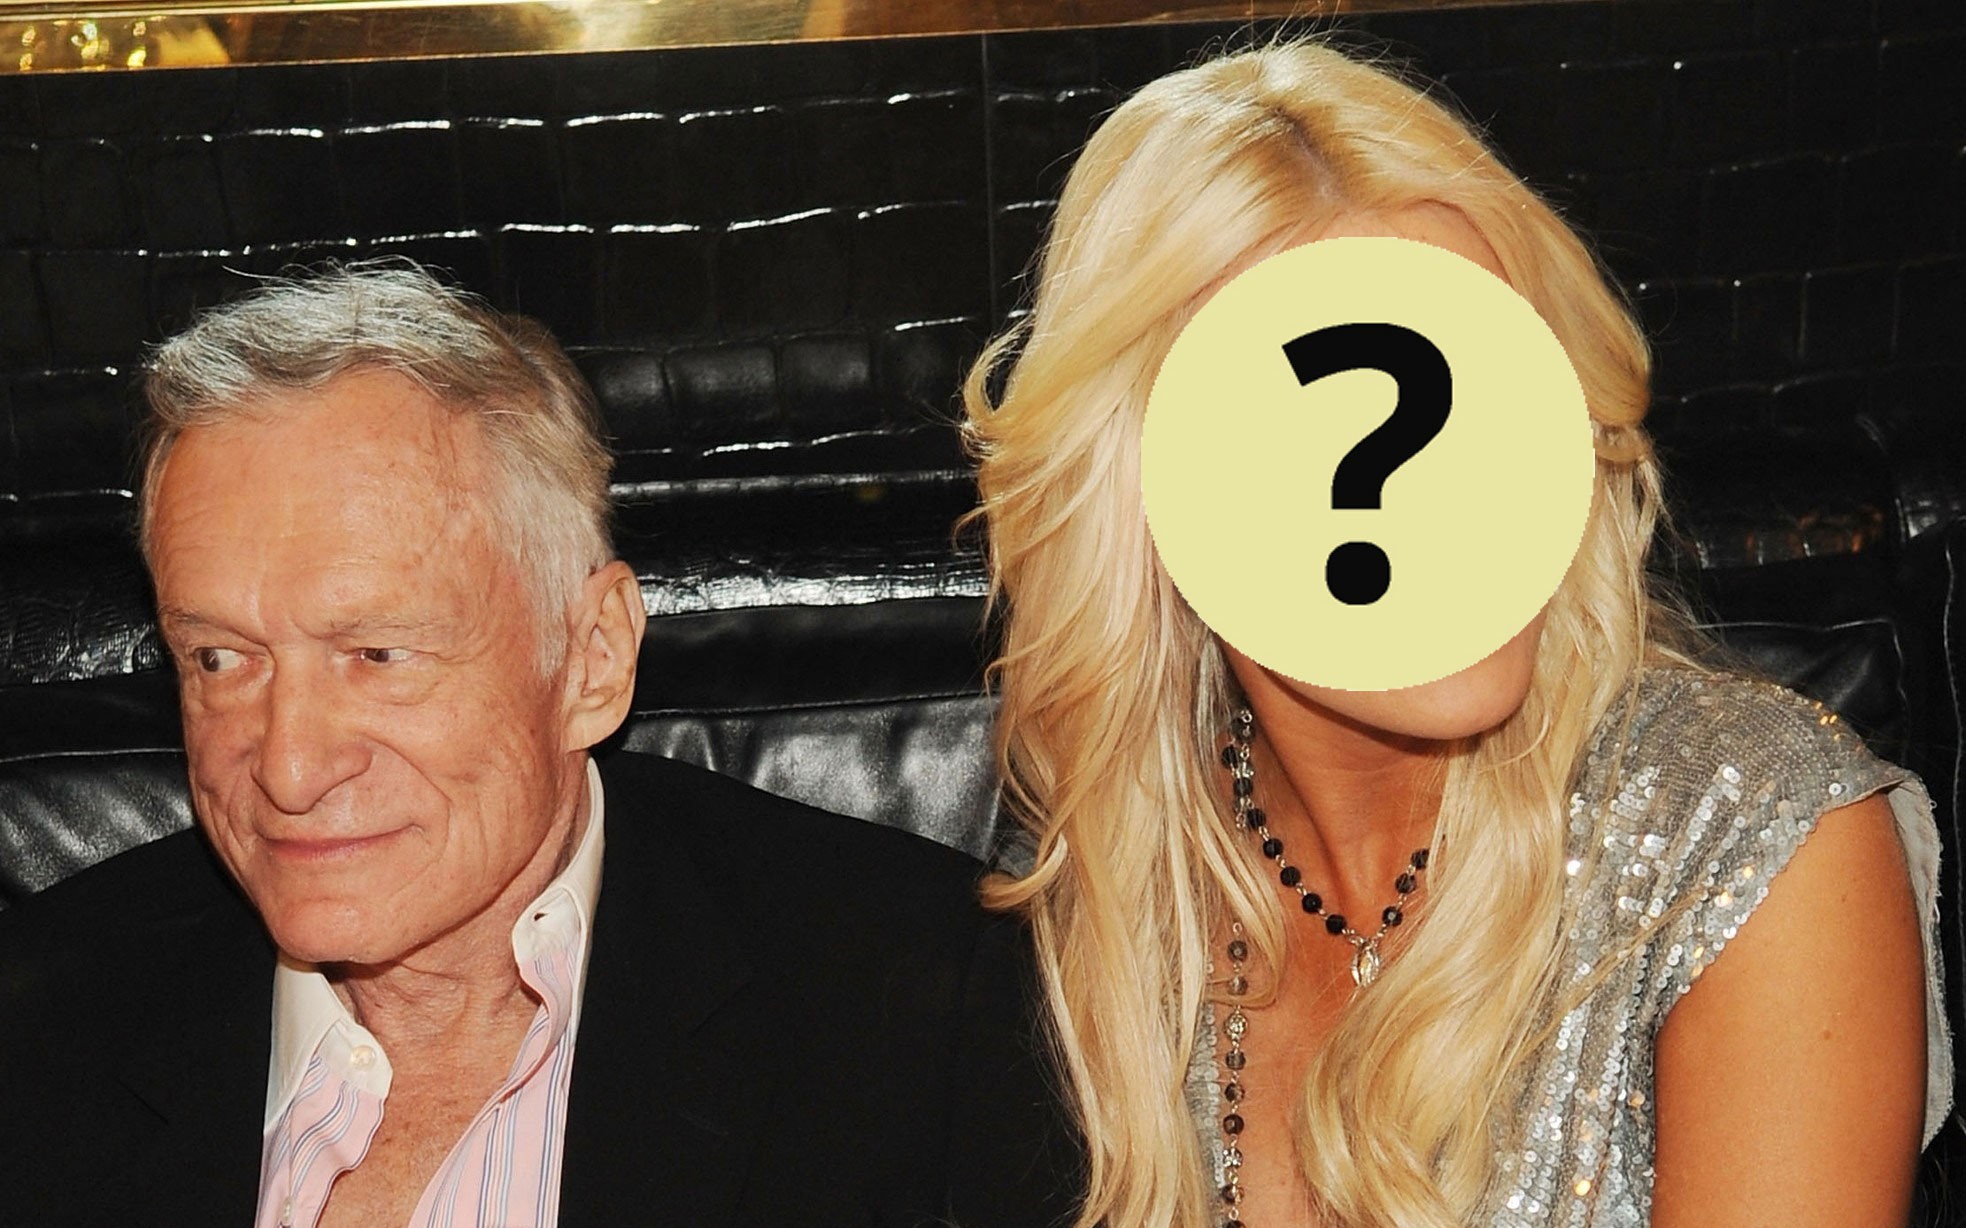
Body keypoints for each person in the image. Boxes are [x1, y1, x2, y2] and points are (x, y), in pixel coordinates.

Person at [961, 41, 1952, 1228]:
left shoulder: (1750, 833)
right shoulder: (1116, 901)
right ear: (1157, 499)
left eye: (1484, 400)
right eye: (1331, 438)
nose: (1445, 505)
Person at [0, 263, 1077, 1228]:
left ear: (592, 658)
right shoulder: (39, 1025)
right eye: (220, 659)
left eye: (377, 653)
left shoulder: (932, 1016)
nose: (287, 767)